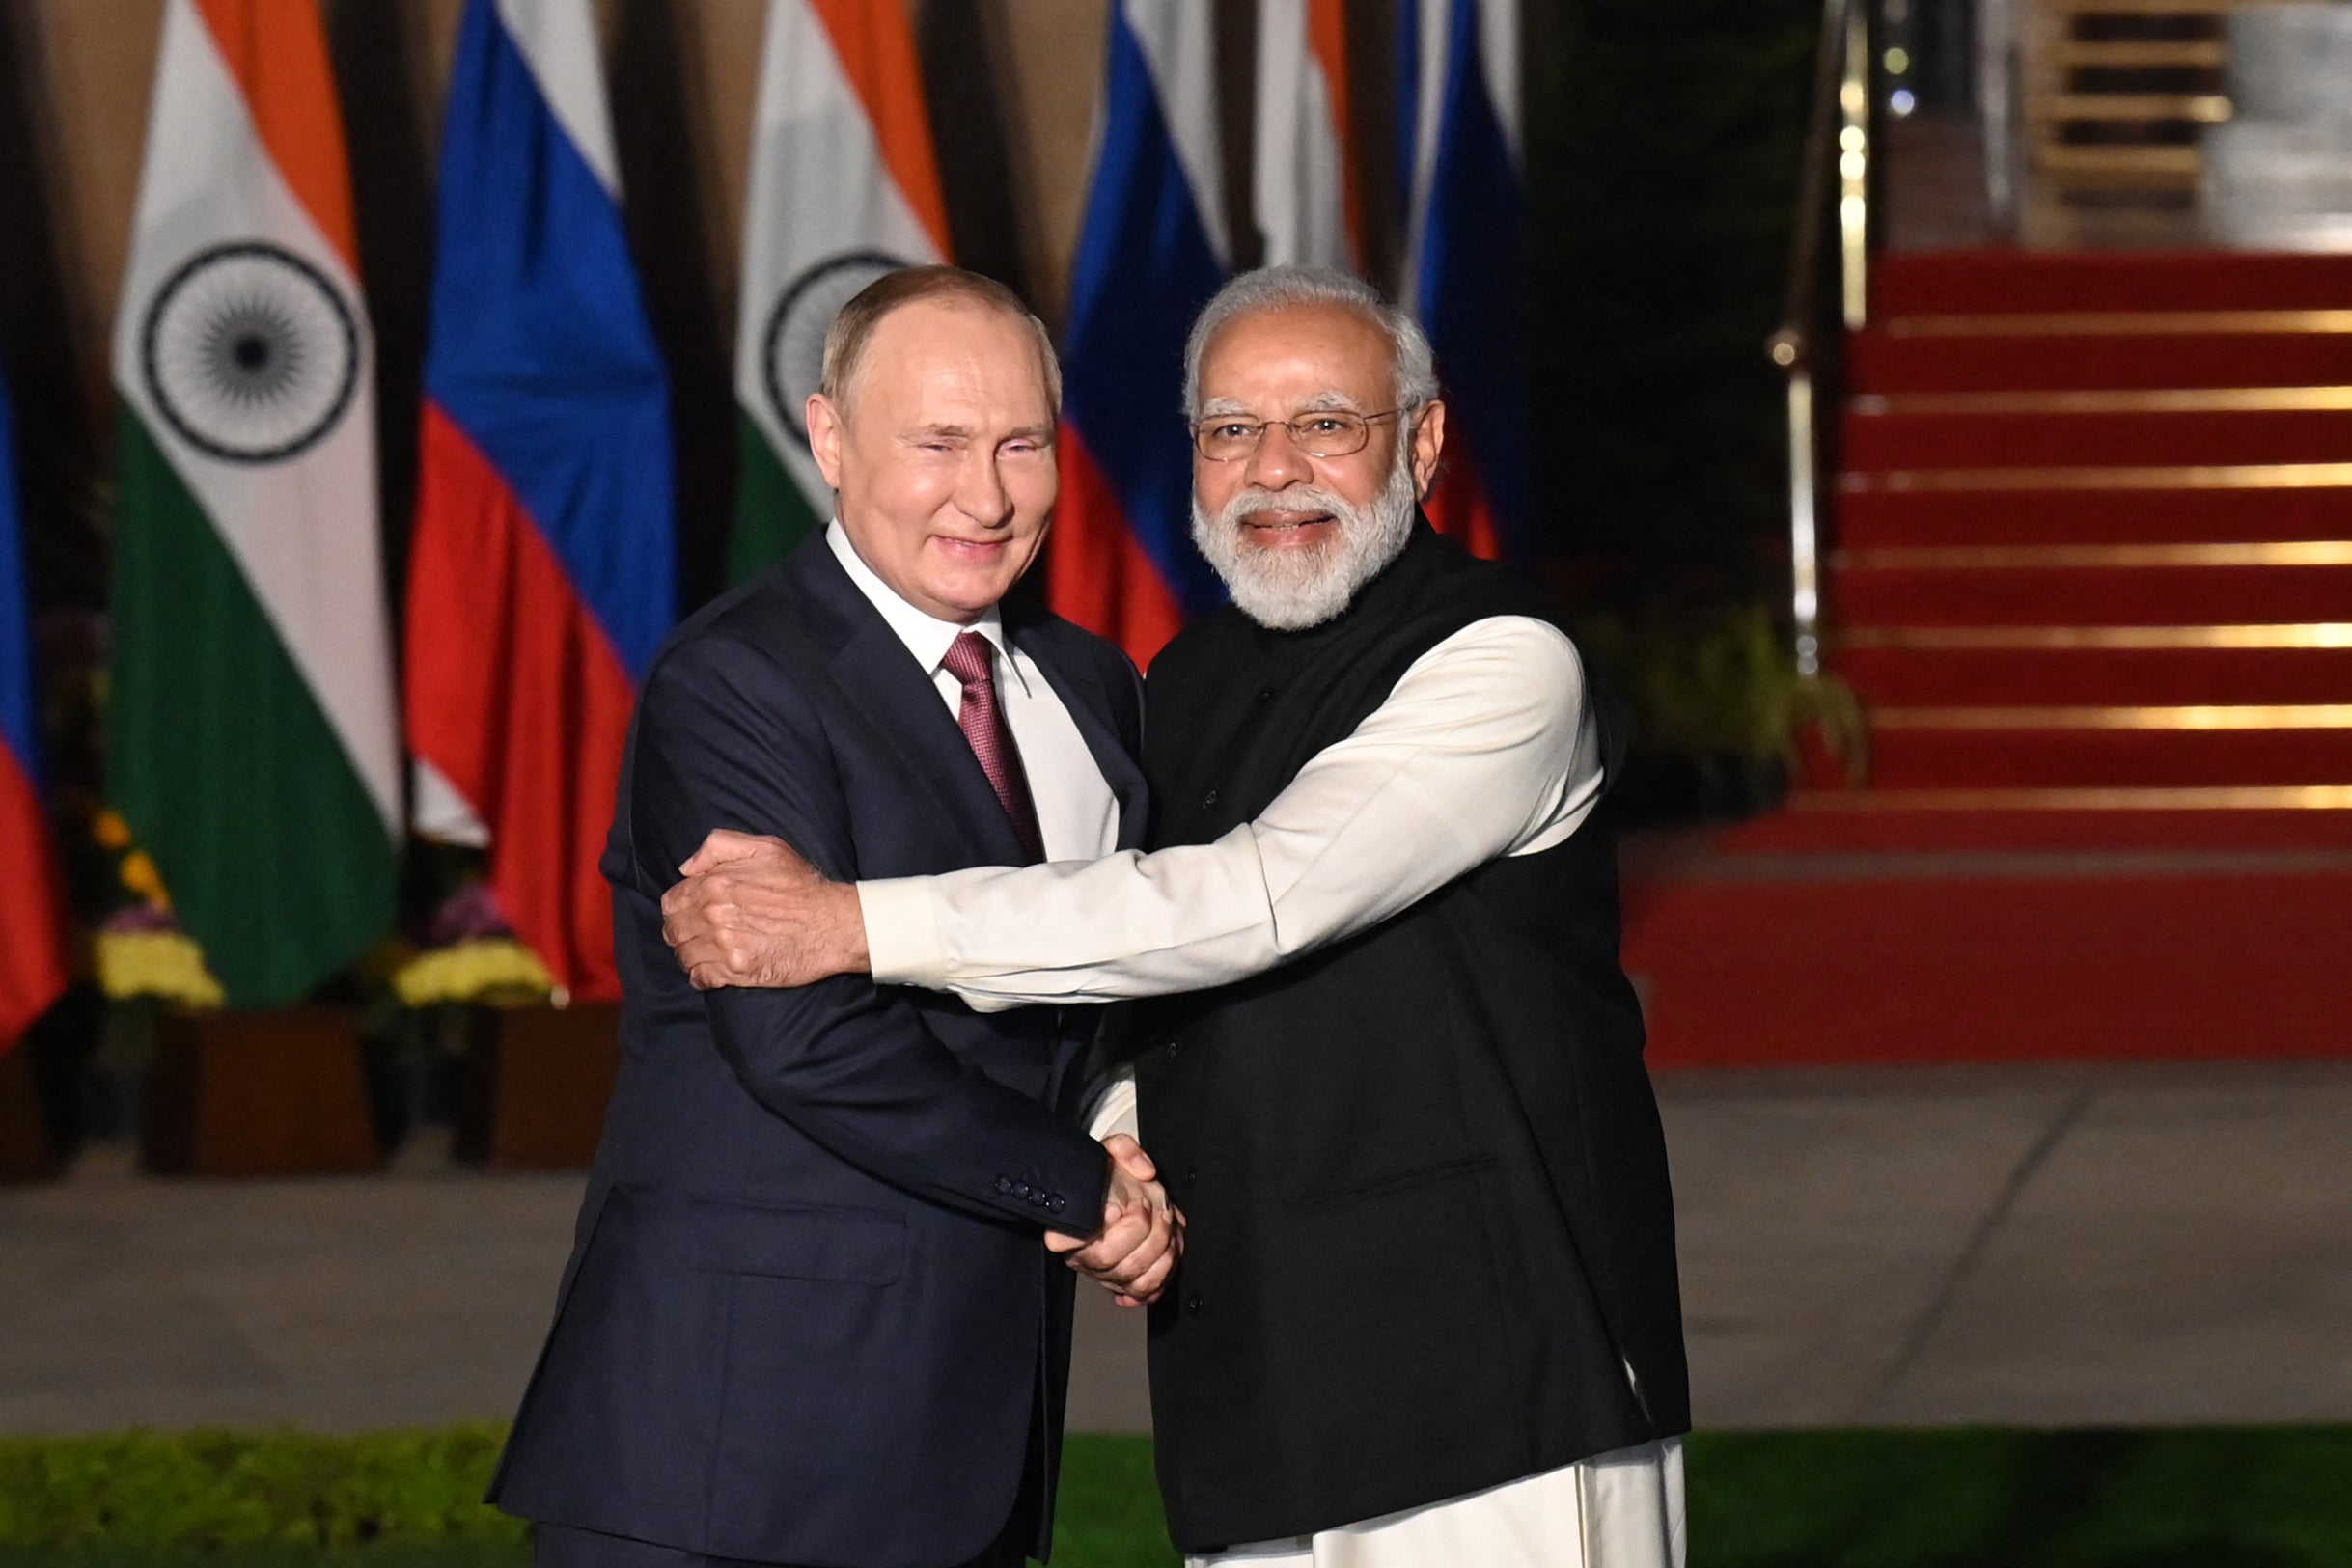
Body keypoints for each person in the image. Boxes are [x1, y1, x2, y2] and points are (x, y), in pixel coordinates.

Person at [660, 266, 1691, 1568]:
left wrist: (853, 922)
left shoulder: (1502, 662)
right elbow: (1151, 992)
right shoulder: (1177, 684)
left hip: (1506, 1364)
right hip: (1257, 1359)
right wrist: (1109, 1147)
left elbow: (1254, 901)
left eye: (1326, 422)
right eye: (1227, 431)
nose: (1274, 468)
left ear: (1421, 443)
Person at [489, 266, 1181, 1568]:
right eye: (936, 444)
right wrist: (1081, 1186)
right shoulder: (737, 681)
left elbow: (1099, 986)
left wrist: (1125, 1127)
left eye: (1019, 443)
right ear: (826, 439)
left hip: (968, 1431)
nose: (985, 496)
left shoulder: (1093, 689)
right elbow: (801, 1038)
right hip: (729, 1448)